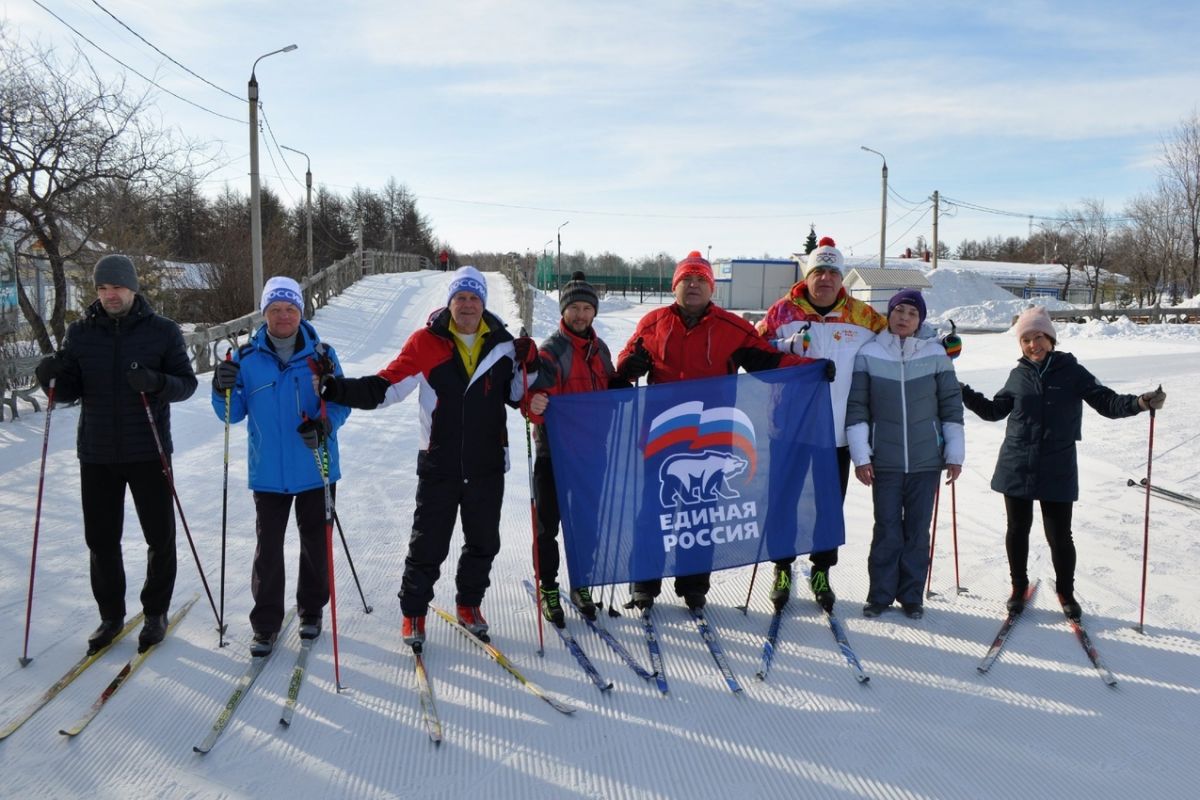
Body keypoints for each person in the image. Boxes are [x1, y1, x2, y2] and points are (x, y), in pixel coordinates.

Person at [317, 266, 536, 648]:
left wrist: (529, 363)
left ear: (483, 302)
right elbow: (385, 389)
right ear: (449, 302)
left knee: (483, 542)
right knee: (428, 543)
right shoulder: (426, 343)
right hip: (440, 463)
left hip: (487, 465)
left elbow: (517, 396)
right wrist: (337, 389)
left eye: (474, 298)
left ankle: (469, 605)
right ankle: (413, 612)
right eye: (460, 298)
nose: (467, 305)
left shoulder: (502, 345)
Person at [616, 251, 818, 611]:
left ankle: (693, 586)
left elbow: (767, 359)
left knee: (701, 512)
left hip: (711, 435)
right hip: (662, 435)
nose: (692, 286)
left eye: (700, 280)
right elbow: (624, 365)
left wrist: (810, 368)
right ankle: (644, 584)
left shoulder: (731, 327)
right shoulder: (652, 323)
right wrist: (629, 365)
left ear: (711, 287)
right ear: (675, 285)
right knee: (653, 511)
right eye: (686, 280)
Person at [34, 254, 198, 653]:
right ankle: (110, 616)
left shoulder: (163, 332)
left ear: (132, 288)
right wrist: (50, 377)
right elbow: (69, 390)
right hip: (97, 452)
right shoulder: (80, 333)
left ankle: (155, 612)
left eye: (117, 287)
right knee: (101, 540)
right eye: (103, 288)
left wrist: (156, 381)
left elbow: (186, 384)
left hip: (149, 450)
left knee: (159, 536)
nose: (110, 295)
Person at [959, 305, 1166, 621]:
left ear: (1050, 338)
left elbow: (1107, 402)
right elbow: (993, 411)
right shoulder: (1018, 375)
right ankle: (1018, 587)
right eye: (1026, 340)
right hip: (1017, 463)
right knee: (1017, 529)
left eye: (1038, 337)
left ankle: (1066, 591)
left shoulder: (1073, 372)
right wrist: (961, 391)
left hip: (1057, 464)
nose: (1033, 345)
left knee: (1059, 535)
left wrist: (1139, 403)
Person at [211, 276, 350, 656]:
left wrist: (325, 425)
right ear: (265, 313)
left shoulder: (322, 354)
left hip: (315, 465)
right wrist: (220, 388)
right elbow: (232, 414)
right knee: (268, 549)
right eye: (275, 309)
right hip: (268, 472)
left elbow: (341, 402)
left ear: (300, 312)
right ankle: (266, 624)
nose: (283, 316)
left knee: (315, 545)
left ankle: (311, 611)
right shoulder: (246, 358)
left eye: (290, 309)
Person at [756, 236, 887, 611]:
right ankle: (782, 568)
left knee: (828, 506)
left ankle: (821, 570)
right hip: (788, 428)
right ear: (808, 276)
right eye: (819, 271)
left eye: (832, 271)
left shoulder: (864, 316)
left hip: (836, 432)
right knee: (783, 501)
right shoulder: (781, 313)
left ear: (841, 277)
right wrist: (788, 348)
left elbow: (899, 339)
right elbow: (755, 352)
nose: (826, 278)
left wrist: (938, 343)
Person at [846, 289, 964, 619]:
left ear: (920, 321)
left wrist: (954, 453)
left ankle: (912, 595)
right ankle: (880, 595)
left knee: (916, 530)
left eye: (912, 313)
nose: (904, 318)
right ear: (889, 314)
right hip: (884, 460)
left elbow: (950, 406)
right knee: (886, 529)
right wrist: (862, 456)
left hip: (927, 460)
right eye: (899, 310)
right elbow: (857, 407)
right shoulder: (868, 353)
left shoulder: (936, 355)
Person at [524, 272, 625, 626]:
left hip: (592, 451)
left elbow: (611, 388)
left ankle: (581, 582)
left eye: (587, 308)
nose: (581, 315)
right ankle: (549, 586)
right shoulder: (551, 351)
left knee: (586, 524)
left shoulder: (601, 350)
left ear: (594, 312)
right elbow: (533, 397)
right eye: (574, 308)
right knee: (547, 525)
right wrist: (532, 400)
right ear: (563, 311)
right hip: (555, 453)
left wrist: (625, 379)